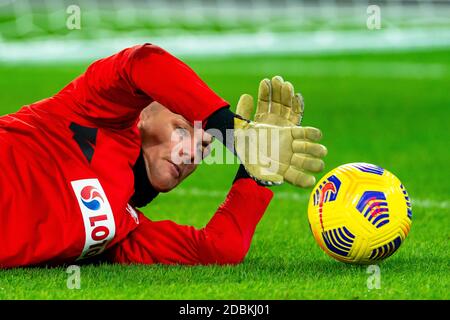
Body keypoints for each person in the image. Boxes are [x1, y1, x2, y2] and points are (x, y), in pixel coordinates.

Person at [0, 44, 327, 268]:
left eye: (203, 147)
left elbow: (218, 248)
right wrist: (229, 128)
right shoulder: (88, 114)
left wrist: (256, 171)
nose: (189, 152)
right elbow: (143, 61)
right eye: (182, 129)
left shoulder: (123, 229)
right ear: (142, 114)